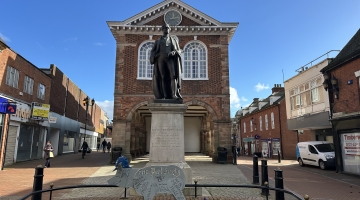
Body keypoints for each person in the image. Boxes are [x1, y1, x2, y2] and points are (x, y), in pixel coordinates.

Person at [150, 23, 183, 100]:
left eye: (168, 28)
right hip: (160, 60)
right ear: (162, 29)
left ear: (169, 29)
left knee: (173, 76)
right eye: (165, 28)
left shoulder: (173, 40)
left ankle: (174, 94)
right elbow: (152, 51)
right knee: (163, 77)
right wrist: (154, 56)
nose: (167, 29)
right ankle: (165, 95)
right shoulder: (158, 41)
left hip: (170, 59)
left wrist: (175, 52)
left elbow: (179, 50)